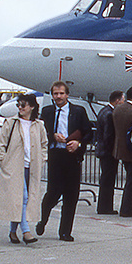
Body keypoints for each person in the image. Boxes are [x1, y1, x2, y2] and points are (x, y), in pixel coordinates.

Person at [39, 81, 93, 241]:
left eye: (61, 93)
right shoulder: (47, 111)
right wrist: (52, 136)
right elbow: (40, 133)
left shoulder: (78, 111)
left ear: (67, 95)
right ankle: (43, 219)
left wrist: (79, 143)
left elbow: (89, 133)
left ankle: (65, 231)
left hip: (72, 156)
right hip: (56, 155)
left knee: (71, 195)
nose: (58, 97)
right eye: (55, 94)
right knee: (53, 193)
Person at [0, 93, 47, 245]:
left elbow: (44, 144)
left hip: (32, 167)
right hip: (14, 167)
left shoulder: (38, 125)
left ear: (32, 107)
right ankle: (26, 232)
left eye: (23, 105)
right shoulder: (11, 123)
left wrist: (42, 159)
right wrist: (3, 162)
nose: (20, 108)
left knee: (20, 200)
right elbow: (0, 144)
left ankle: (12, 231)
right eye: (19, 105)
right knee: (23, 197)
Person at [114, 86, 132, 218]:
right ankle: (127, 208)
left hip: (120, 149)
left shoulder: (117, 109)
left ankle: (126, 207)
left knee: (129, 179)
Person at [95, 90, 124, 214]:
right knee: (108, 179)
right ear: (117, 101)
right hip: (107, 152)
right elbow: (108, 135)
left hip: (103, 150)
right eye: (122, 100)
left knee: (106, 179)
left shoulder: (104, 111)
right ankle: (105, 207)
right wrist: (113, 150)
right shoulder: (109, 114)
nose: (123, 103)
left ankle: (104, 206)